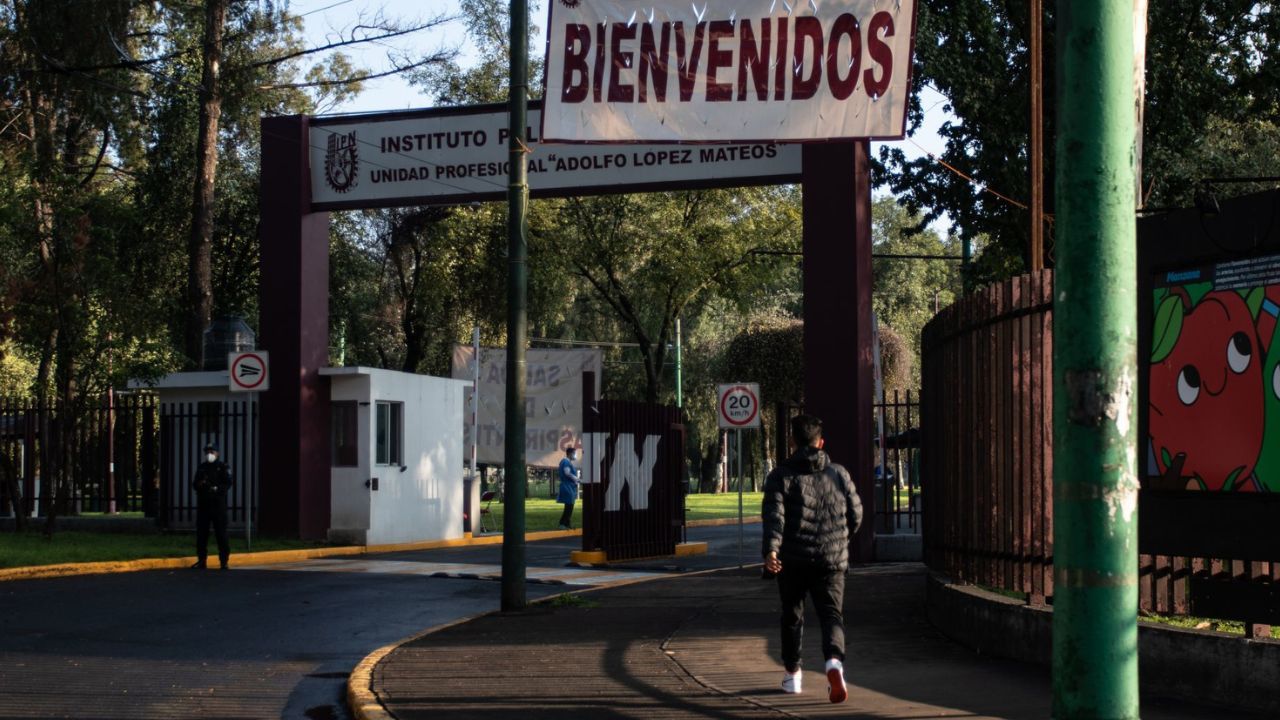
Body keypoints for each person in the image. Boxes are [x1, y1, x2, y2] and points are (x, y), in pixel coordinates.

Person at [761, 414, 863, 704]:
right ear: (821, 442)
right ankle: (833, 663)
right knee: (832, 615)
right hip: (831, 561)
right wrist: (841, 541)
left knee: (792, 615)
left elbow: (774, 517)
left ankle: (793, 675)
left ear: (792, 441)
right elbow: (856, 514)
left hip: (792, 561)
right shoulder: (839, 474)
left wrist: (771, 550)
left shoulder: (780, 476)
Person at [192, 441, 233, 570]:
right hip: (204, 505)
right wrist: (201, 484)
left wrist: (217, 489)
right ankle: (202, 560)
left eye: (212, 451)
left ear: (217, 453)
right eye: (207, 451)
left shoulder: (222, 467)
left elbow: (228, 483)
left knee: (221, 534)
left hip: (218, 506)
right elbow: (195, 485)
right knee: (202, 535)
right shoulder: (202, 467)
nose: (209, 454)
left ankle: (224, 561)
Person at [557, 445, 581, 530]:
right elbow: (567, 473)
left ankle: (567, 523)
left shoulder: (567, 462)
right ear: (570, 453)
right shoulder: (565, 462)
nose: (575, 455)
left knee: (570, 506)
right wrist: (577, 479)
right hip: (567, 486)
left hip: (569, 486)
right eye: (574, 453)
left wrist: (576, 480)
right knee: (569, 506)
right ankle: (562, 524)